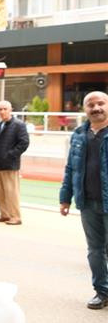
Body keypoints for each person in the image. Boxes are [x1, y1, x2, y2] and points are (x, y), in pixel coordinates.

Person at [59, 91, 108, 310]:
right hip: (88, 202)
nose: (96, 108)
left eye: (101, 103)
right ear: (84, 108)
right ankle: (102, 291)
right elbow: (71, 168)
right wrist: (65, 198)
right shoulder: (78, 134)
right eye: (91, 104)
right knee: (94, 250)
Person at [0, 99, 29, 225]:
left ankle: (15, 217)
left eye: (5, 109)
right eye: (0, 109)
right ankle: (4, 214)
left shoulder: (18, 125)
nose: (2, 111)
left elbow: (24, 143)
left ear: (10, 110)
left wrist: (10, 155)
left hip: (10, 164)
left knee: (11, 192)